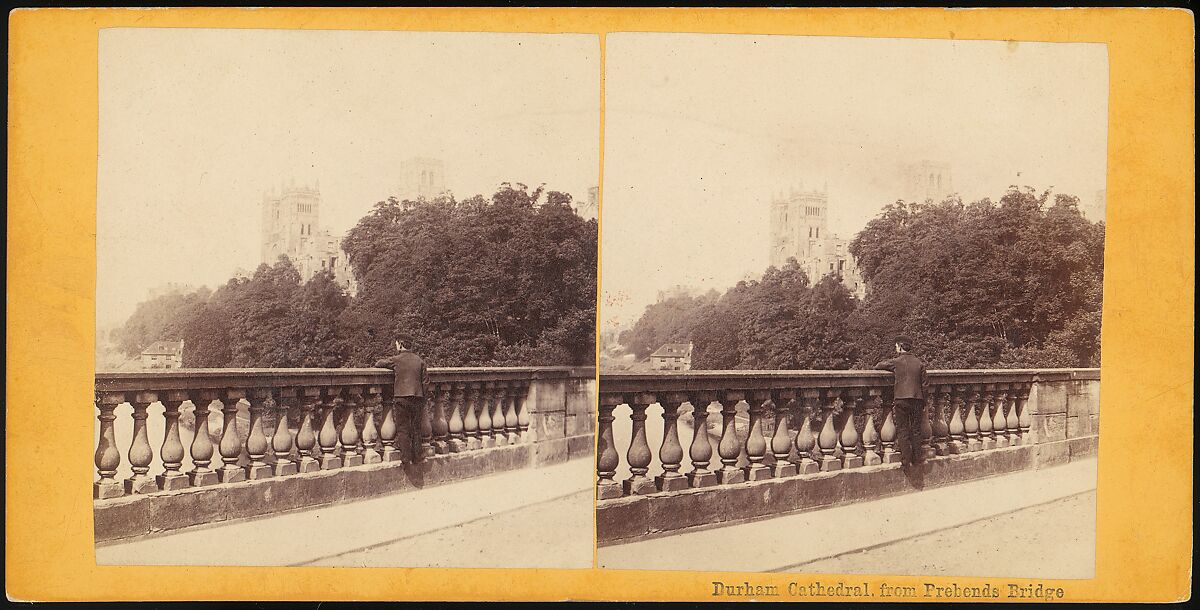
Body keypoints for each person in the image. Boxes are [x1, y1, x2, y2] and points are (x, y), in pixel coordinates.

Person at [875, 335, 929, 480]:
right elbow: (925, 386)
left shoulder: (896, 362)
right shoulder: (920, 363)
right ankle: (917, 459)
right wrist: (924, 402)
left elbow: (879, 365)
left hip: (901, 400)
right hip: (917, 400)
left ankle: (906, 462)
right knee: (916, 430)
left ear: (899, 346)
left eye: (896, 346)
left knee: (903, 430)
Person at [375, 339, 428, 461]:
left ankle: (405, 458)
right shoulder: (420, 361)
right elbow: (425, 383)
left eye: (397, 344)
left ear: (401, 344)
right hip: (417, 397)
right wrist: (423, 399)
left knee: (403, 428)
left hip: (402, 397)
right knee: (416, 428)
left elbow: (378, 363)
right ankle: (417, 456)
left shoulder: (396, 359)